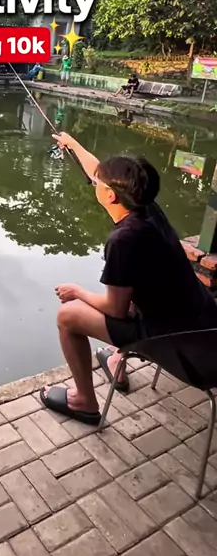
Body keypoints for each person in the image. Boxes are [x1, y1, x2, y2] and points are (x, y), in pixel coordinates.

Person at [40, 132, 217, 425]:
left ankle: (84, 401)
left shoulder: (123, 240)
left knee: (68, 316)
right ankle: (116, 361)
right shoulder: (148, 209)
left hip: (180, 344)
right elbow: (97, 169)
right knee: (130, 294)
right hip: (203, 322)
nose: (94, 181)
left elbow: (115, 310)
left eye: (98, 182)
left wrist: (77, 292)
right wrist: (73, 145)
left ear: (110, 195)